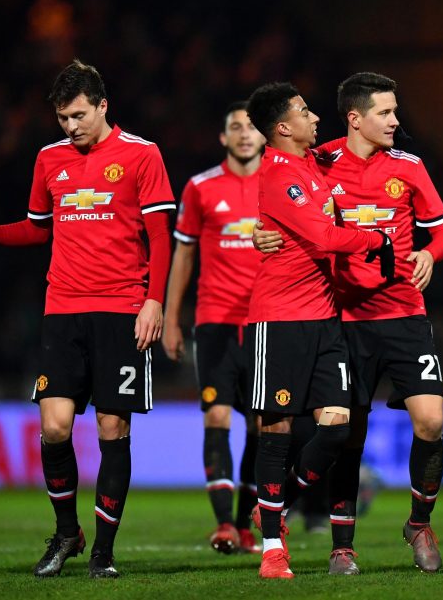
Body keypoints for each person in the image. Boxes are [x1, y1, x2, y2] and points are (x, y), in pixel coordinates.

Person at [0, 60, 175, 578]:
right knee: (54, 427)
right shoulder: (50, 159)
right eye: (61, 119)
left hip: (122, 309)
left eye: (78, 116)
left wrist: (154, 300)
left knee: (112, 426)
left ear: (102, 106)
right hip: (64, 308)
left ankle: (104, 550)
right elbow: (36, 229)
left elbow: (160, 235)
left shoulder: (143, 154)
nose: (70, 127)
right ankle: (68, 532)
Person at [255, 72, 443, 574]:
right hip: (345, 314)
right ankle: (343, 544)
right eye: (385, 113)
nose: (395, 121)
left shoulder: (408, 166)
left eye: (394, 111)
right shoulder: (318, 161)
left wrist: (431, 253)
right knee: (349, 433)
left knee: (430, 421)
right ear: (355, 118)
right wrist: (261, 232)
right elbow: (277, 196)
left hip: (405, 312)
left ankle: (419, 522)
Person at [244, 81, 393, 579]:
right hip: (279, 321)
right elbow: (323, 235)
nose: (315, 117)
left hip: (325, 319)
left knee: (338, 427)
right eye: (305, 111)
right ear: (282, 128)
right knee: (277, 431)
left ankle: (275, 506)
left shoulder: (313, 162)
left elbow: (347, 146)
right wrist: (376, 239)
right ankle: (271, 551)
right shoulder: (279, 174)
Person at [162, 102, 265, 555]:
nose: (244, 134)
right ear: (223, 138)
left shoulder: (282, 185)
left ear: (264, 136)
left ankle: (245, 524)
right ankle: (225, 524)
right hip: (215, 321)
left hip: (267, 323)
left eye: (251, 127)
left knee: (263, 427)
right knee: (218, 416)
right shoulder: (201, 188)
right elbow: (183, 255)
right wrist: (170, 318)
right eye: (235, 127)